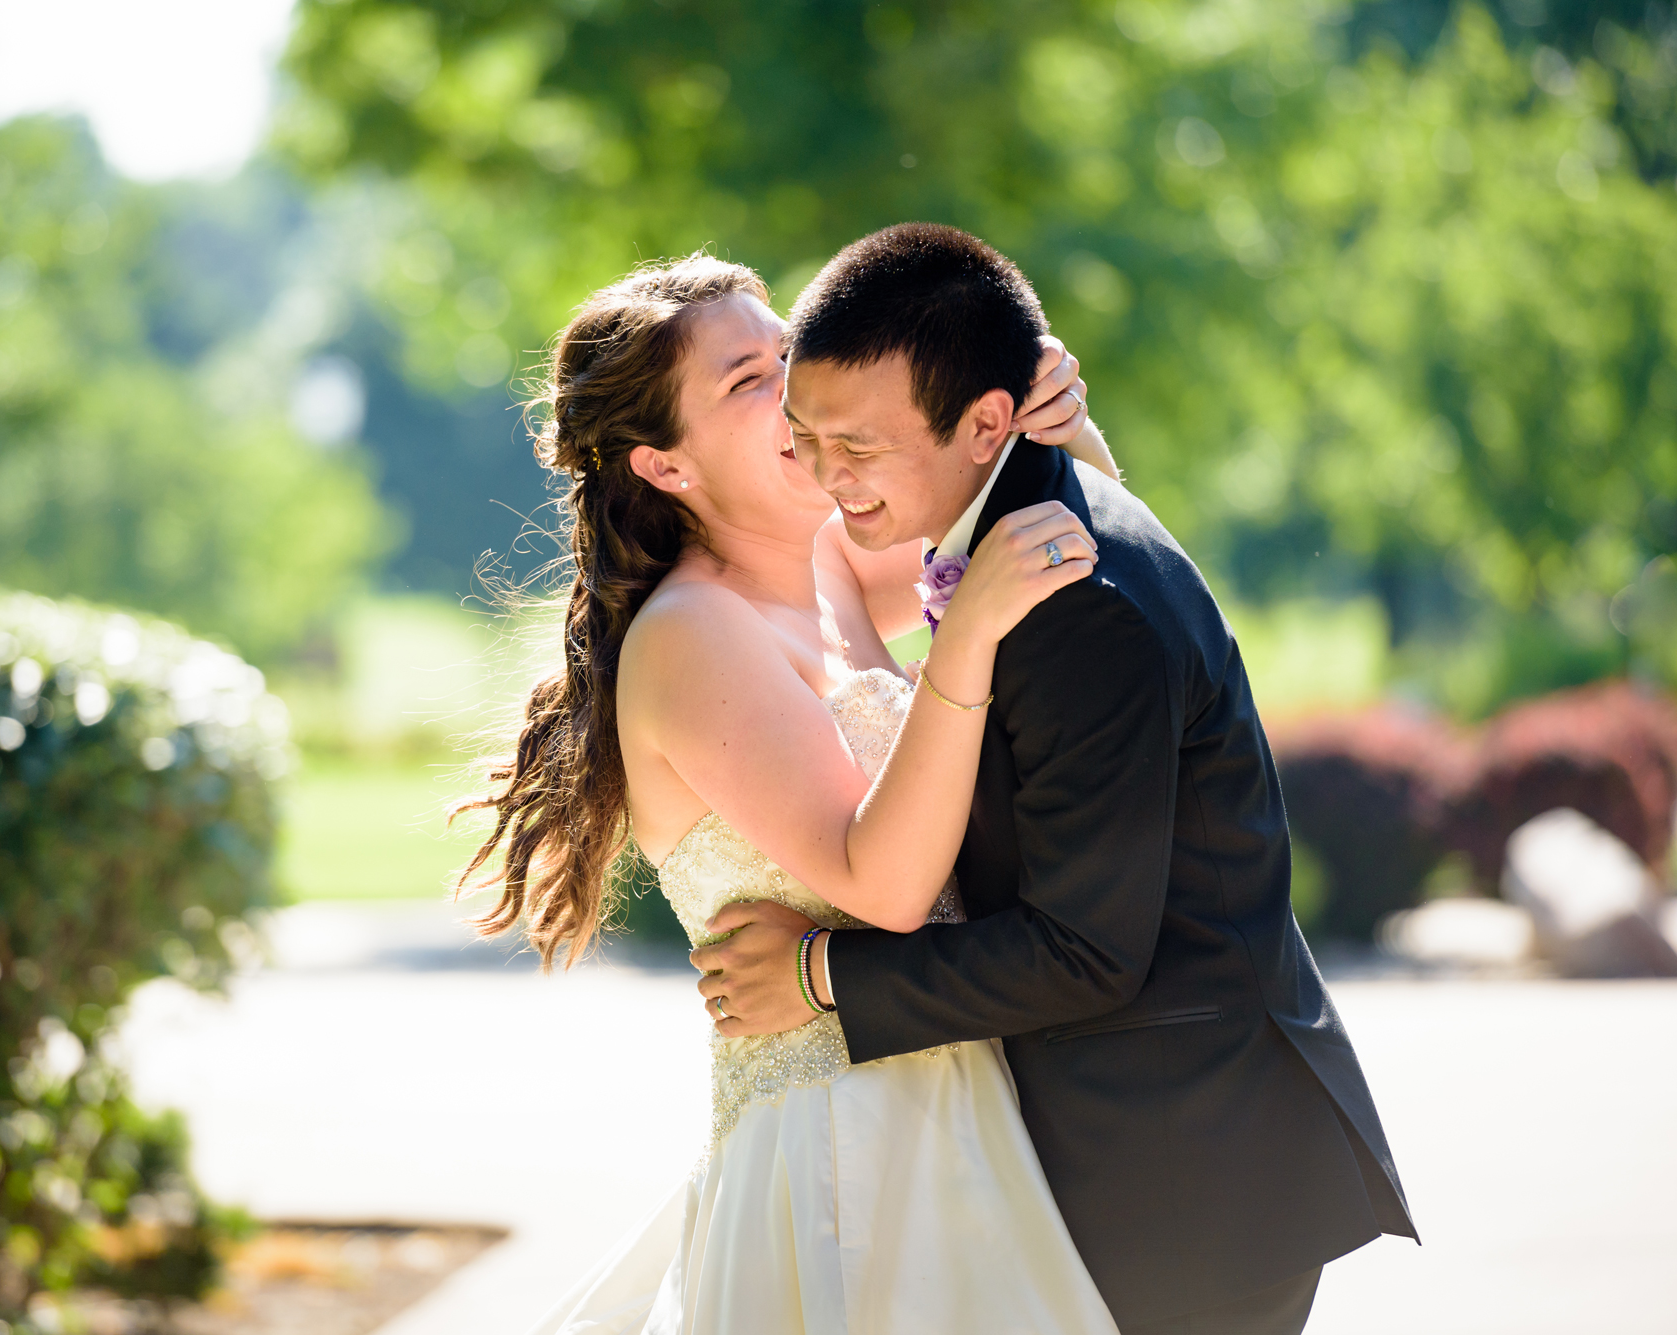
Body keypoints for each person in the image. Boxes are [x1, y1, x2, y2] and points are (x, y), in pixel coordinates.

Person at [697, 223, 1418, 1335]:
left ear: (985, 421)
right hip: (1151, 1154)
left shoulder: (1069, 597)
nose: (828, 477)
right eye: (805, 436)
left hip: (1184, 1183)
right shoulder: (1016, 523)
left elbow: (1086, 952)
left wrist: (820, 979)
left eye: (859, 445)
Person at [462, 251, 1123, 1334]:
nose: (797, 382)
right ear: (665, 465)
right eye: (746, 380)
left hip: (957, 1114)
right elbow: (887, 886)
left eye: (786, 350)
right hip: (841, 1157)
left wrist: (1054, 425)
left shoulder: (836, 564)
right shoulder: (691, 636)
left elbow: (1064, 556)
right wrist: (964, 642)